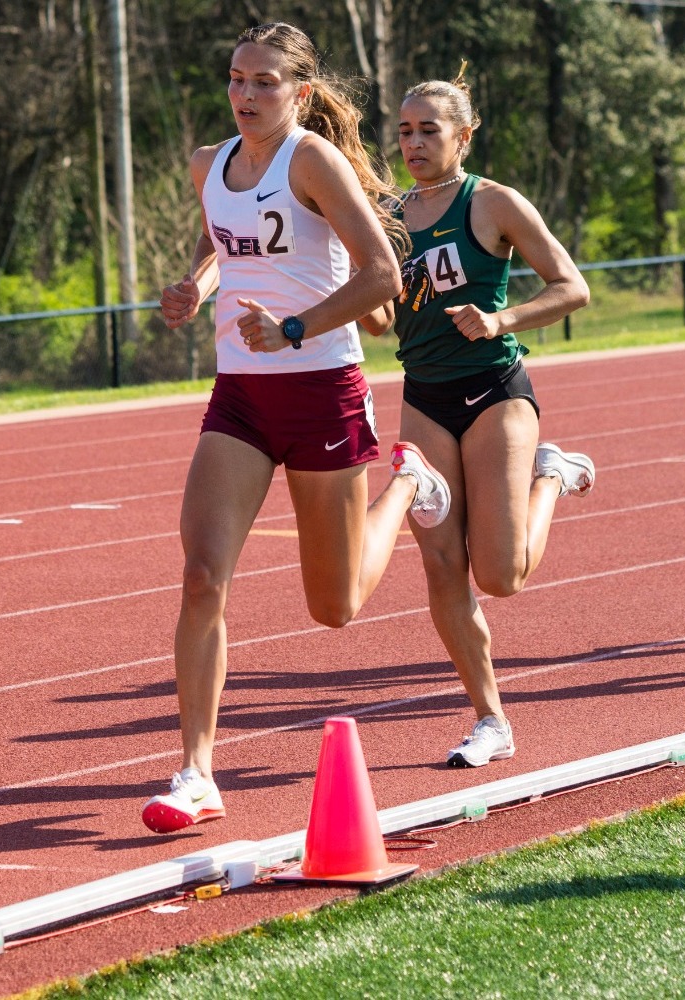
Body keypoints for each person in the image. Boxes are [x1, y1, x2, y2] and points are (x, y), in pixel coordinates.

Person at [141, 22, 448, 833]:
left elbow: (382, 271)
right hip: (240, 394)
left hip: (321, 387)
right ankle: (197, 771)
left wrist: (297, 328)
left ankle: (411, 481)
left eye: (266, 83)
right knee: (202, 575)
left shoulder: (312, 160)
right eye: (237, 79)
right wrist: (197, 286)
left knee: (336, 606)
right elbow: (226, 238)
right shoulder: (210, 163)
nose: (246, 95)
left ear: (300, 94)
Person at [377, 71, 593, 767]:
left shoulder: (493, 203)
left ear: (463, 135)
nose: (413, 142)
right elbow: (383, 318)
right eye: (404, 130)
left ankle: (552, 475)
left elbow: (572, 287)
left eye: (428, 129)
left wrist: (501, 316)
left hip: (495, 390)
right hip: (423, 398)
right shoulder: (387, 214)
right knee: (443, 565)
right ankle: (489, 718)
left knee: (500, 575)